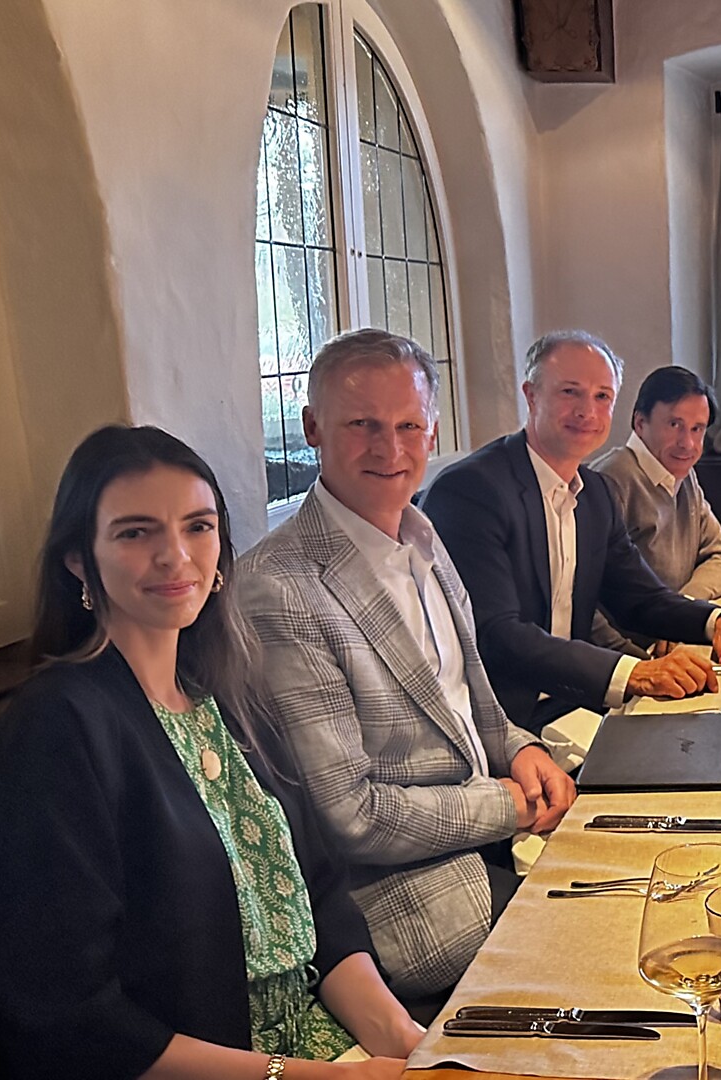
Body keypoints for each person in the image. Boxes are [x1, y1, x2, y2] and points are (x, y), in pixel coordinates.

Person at [0, 425, 420, 1079]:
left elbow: (322, 893)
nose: (176, 556)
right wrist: (316, 1077)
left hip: (322, 1051)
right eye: (135, 533)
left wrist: (402, 1038)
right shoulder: (60, 724)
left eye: (198, 527)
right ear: (79, 559)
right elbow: (69, 1015)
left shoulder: (226, 688)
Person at [241, 329, 576, 1012]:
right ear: (312, 428)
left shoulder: (421, 533)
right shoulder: (280, 587)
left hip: (496, 843)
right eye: (362, 425)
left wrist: (522, 749)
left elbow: (470, 704)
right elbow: (352, 817)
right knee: (614, 960)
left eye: (408, 426)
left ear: (433, 431)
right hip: (414, 903)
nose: (389, 449)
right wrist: (506, 807)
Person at [424, 331, 721, 732]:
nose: (587, 411)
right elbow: (498, 636)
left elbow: (639, 597)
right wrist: (634, 672)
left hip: (576, 706)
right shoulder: (473, 489)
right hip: (500, 724)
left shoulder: (594, 492)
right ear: (531, 395)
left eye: (602, 396)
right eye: (570, 392)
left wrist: (716, 622)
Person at [588, 365, 721, 657]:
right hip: (626, 658)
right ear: (640, 422)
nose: (688, 443)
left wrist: (682, 610)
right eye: (674, 425)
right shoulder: (611, 480)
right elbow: (587, 605)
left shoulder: (683, 475)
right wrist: (640, 664)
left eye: (697, 429)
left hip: (670, 644)